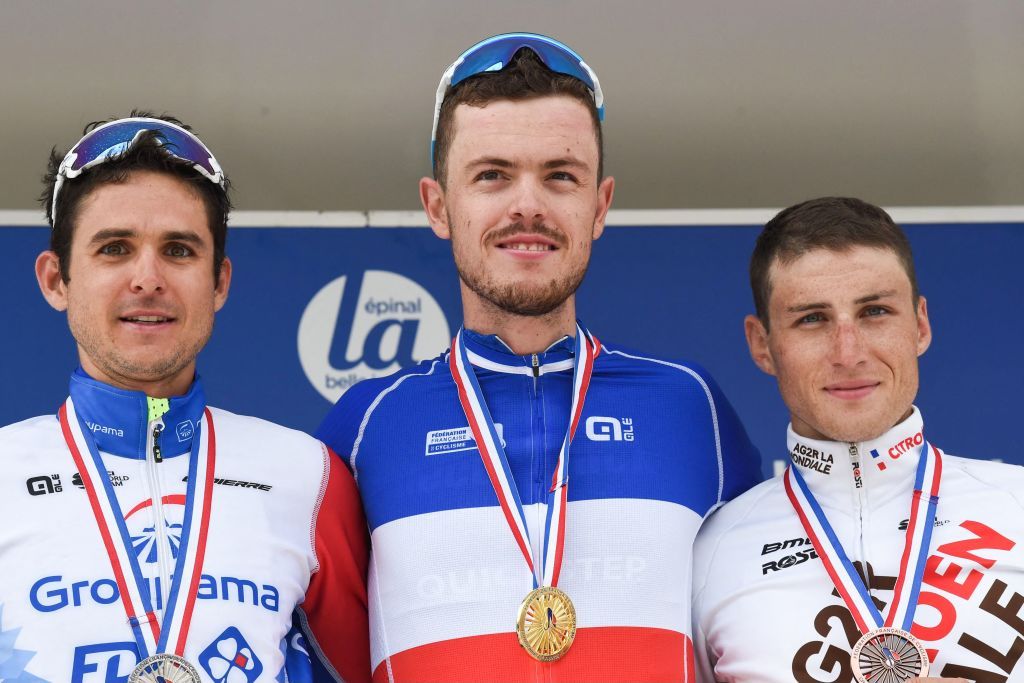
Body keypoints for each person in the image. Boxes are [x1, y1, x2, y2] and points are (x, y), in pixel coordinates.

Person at [316, 33, 761, 682]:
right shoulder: (364, 425)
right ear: (438, 206)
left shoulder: (691, 407)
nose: (528, 205)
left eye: (560, 176)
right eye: (492, 175)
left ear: (599, 205)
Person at [0, 113, 369, 682]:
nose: (148, 278)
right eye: (115, 248)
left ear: (219, 281)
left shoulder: (310, 478)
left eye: (178, 250)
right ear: (56, 281)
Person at [692, 196, 1024, 683]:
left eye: (875, 311)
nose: (848, 353)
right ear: (762, 344)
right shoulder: (709, 551)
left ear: (921, 325)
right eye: (812, 319)